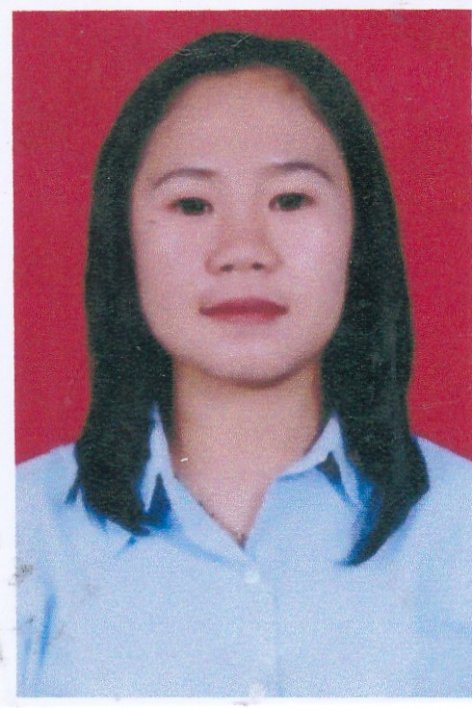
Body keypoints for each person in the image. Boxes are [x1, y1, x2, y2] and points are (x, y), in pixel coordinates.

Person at [16, 31, 472, 697]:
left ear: (360, 235)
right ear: (124, 242)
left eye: (290, 200)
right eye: (191, 204)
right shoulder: (26, 533)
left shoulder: (461, 528)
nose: (243, 250)